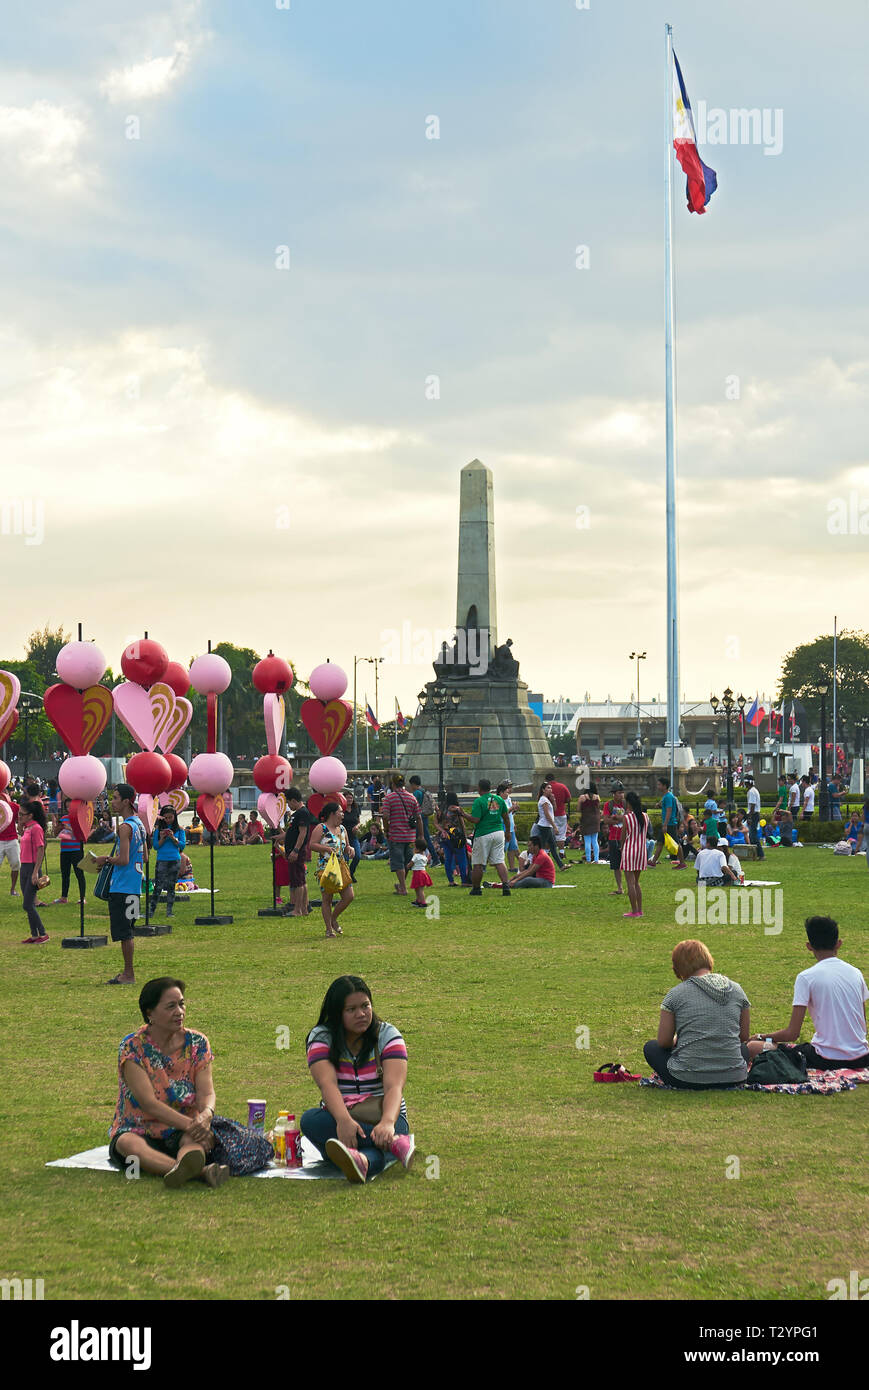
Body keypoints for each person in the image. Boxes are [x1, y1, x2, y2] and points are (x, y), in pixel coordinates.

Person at [107, 977, 229, 1189]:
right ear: (150, 1013)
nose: (179, 1011)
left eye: (181, 1004)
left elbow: (206, 1093)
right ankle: (199, 1172)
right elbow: (149, 1104)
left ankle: (186, 1169)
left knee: (194, 1141)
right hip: (139, 1128)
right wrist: (192, 1125)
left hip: (183, 1128)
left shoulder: (198, 1043)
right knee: (128, 1143)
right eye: (171, 1006)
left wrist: (206, 1116)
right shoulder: (132, 1048)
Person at [300, 975, 413, 1184]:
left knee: (382, 1133)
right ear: (337, 1014)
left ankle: (362, 1153)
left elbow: (394, 1087)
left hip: (386, 1117)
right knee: (310, 1120)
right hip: (339, 1117)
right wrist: (343, 1121)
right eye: (351, 1010)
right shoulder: (321, 1037)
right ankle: (385, 1149)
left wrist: (387, 1124)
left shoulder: (387, 1035)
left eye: (365, 1006)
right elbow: (328, 1085)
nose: (361, 1014)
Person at [746, 916, 869, 1069]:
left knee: (754, 1047)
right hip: (862, 1057)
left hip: (825, 1058)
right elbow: (862, 1026)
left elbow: (792, 1034)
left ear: (809, 946)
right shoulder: (856, 973)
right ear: (839, 944)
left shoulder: (806, 977)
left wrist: (761, 1036)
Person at [643, 940, 752, 1089]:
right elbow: (743, 1037)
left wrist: (677, 1040)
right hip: (733, 1076)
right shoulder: (738, 990)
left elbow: (663, 1042)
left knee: (651, 1047)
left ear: (678, 968)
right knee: (744, 1049)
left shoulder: (675, 995)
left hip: (687, 1077)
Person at [94, 784, 145, 986]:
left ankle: (128, 974)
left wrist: (105, 859)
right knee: (129, 932)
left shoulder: (125, 827)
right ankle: (128, 971)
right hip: (134, 886)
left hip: (122, 887)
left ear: (126, 802)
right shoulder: (139, 824)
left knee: (124, 933)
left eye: (115, 798)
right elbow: (145, 856)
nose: (112, 802)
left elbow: (123, 859)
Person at [309, 802, 354, 938]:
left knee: (349, 896)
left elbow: (346, 847)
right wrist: (326, 849)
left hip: (341, 866)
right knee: (327, 899)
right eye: (340, 811)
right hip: (326, 867)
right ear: (332, 814)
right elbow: (312, 845)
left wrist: (350, 849)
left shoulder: (342, 829)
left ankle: (333, 919)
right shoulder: (321, 828)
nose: (343, 814)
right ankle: (329, 929)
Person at [380, 774, 422, 897]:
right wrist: (421, 835)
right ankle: (401, 885)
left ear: (393, 784)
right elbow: (418, 817)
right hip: (410, 836)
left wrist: (386, 830)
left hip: (396, 835)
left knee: (398, 862)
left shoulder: (389, 798)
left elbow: (385, 816)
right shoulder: (412, 798)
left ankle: (403, 888)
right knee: (407, 861)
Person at [468, 778, 511, 897]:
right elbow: (506, 817)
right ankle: (506, 886)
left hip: (483, 834)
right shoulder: (498, 799)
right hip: (498, 832)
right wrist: (508, 832)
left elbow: (475, 819)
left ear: (479, 788)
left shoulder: (479, 801)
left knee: (478, 863)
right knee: (499, 861)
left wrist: (463, 814)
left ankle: (476, 889)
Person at [280, 787, 314, 917]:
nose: (288, 806)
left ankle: (298, 909)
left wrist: (295, 850)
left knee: (298, 881)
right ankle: (304, 908)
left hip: (296, 852)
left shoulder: (302, 813)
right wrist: (281, 836)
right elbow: (293, 832)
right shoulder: (297, 814)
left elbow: (303, 833)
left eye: (289, 803)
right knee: (301, 879)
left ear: (294, 800)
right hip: (293, 850)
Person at [18, 800, 49, 944]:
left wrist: (35, 871)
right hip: (23, 866)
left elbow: (40, 849)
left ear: (30, 815)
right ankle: (34, 934)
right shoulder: (26, 828)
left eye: (22, 815)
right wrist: (19, 822)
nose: (20, 817)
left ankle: (42, 933)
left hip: (31, 867)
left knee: (27, 904)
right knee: (28, 903)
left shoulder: (36, 828)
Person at [49, 797, 87, 907]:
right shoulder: (64, 818)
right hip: (64, 850)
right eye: (67, 806)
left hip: (76, 850)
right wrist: (58, 827)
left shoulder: (79, 819)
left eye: (71, 806)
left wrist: (69, 828)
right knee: (65, 874)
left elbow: (82, 834)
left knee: (79, 873)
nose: (68, 808)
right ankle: (64, 897)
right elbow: (55, 834)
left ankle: (82, 897)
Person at [150, 806, 186, 919]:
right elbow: (155, 846)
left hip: (174, 859)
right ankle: (151, 911)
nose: (168, 820)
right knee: (158, 887)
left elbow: (182, 845)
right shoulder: (158, 830)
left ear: (175, 817)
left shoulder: (180, 829)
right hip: (162, 860)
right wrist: (163, 838)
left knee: (171, 887)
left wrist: (173, 837)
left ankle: (169, 911)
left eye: (170, 817)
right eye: (165, 818)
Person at [621, 790, 650, 918]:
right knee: (636, 882)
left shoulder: (627, 818)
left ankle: (634, 911)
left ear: (628, 803)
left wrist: (622, 849)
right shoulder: (645, 816)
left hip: (629, 850)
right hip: (641, 851)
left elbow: (623, 837)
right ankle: (640, 909)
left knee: (630, 883)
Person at [649, 777, 686, 868]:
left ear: (665, 786)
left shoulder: (668, 797)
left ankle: (682, 863)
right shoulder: (667, 796)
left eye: (659, 785)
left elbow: (669, 811)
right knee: (660, 843)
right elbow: (668, 809)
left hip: (669, 824)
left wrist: (665, 824)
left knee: (676, 843)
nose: (658, 786)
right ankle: (653, 862)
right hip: (668, 823)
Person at [436, 793, 470, 886]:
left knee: (448, 858)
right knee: (461, 858)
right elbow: (461, 822)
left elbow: (436, 823)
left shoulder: (442, 809)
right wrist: (465, 835)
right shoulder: (456, 809)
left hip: (445, 837)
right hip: (456, 836)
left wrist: (442, 831)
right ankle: (464, 881)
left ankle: (451, 881)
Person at [408, 776, 441, 865]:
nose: (411, 787)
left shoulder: (416, 793)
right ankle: (418, 858)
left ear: (414, 784)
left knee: (423, 839)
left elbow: (412, 806)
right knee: (423, 839)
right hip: (425, 817)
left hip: (419, 818)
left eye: (411, 785)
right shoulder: (424, 791)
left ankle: (435, 859)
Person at [532, 782, 565, 869]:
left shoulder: (546, 800)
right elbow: (547, 815)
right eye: (548, 788)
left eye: (551, 788)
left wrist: (553, 800)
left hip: (547, 826)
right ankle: (533, 864)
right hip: (545, 826)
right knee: (542, 847)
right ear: (543, 790)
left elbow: (553, 811)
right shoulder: (543, 800)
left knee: (552, 846)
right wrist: (554, 826)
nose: (550, 789)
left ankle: (561, 865)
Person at [602, 783, 626, 897]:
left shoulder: (626, 804)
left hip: (626, 837)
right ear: (613, 794)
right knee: (616, 865)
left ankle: (631, 886)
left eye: (622, 792)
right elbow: (606, 820)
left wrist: (615, 817)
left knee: (627, 864)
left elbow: (630, 817)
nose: (621, 795)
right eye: (619, 793)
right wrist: (619, 820)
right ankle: (620, 887)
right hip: (613, 838)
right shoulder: (608, 805)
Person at [0, 787, 21, 896]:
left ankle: (13, 889)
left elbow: (21, 817)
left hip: (12, 839)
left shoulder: (13, 806)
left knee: (16, 864)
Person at [577, 781, 602, 865]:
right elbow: (598, 808)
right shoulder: (597, 797)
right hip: (595, 820)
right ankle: (596, 859)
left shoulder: (582, 797)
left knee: (587, 841)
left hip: (586, 820)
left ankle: (588, 860)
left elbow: (578, 809)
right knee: (595, 840)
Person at [497, 780, 519, 871]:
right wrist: (512, 808)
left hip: (510, 826)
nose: (509, 790)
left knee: (512, 848)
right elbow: (503, 814)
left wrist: (514, 810)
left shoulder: (508, 798)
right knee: (504, 848)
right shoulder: (498, 800)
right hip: (504, 826)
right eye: (508, 788)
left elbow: (510, 815)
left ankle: (511, 867)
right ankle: (500, 866)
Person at [548, 777, 572, 860]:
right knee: (561, 834)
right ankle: (561, 852)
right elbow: (569, 799)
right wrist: (562, 802)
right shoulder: (562, 786)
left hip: (549, 814)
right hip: (561, 813)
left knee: (548, 834)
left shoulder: (546, 787)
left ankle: (547, 852)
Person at [343, 790, 362, 882]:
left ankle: (351, 873)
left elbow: (359, 821)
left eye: (351, 797)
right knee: (345, 859)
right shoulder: (341, 809)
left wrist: (357, 827)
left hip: (353, 837)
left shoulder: (355, 808)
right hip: (343, 838)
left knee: (357, 856)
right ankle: (345, 877)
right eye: (347, 797)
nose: (350, 799)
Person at [744, 776, 765, 861]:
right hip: (754, 814)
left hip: (753, 814)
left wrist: (749, 818)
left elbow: (752, 806)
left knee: (753, 835)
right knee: (752, 836)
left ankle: (761, 854)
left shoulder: (751, 792)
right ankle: (755, 854)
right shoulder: (754, 791)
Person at [408, 839, 432, 907]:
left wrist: (407, 866)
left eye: (414, 847)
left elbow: (411, 863)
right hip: (423, 873)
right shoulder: (424, 856)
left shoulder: (416, 856)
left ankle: (423, 902)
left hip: (418, 874)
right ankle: (418, 900)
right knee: (418, 888)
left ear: (417, 849)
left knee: (419, 890)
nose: (413, 849)